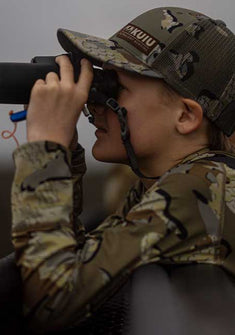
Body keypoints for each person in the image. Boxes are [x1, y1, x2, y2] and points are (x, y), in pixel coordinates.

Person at [11, 6, 235, 333]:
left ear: (186, 116)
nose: (93, 104)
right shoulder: (169, 180)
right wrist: (65, 152)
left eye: (115, 89)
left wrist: (46, 151)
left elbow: (54, 298)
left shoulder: (200, 186)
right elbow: (86, 263)